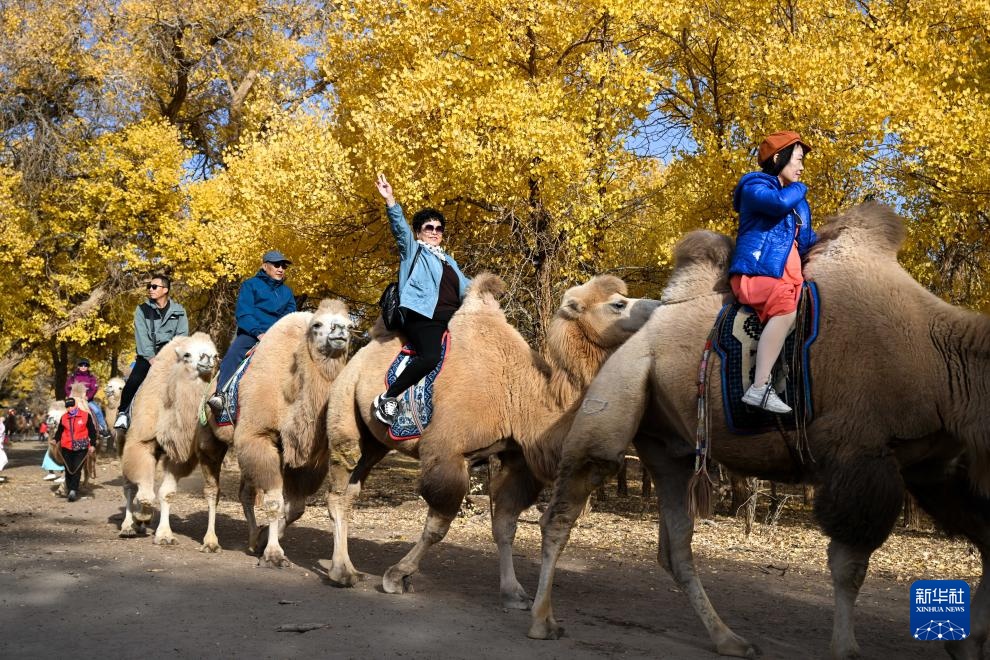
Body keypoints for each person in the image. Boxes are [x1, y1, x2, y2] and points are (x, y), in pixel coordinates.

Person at [728, 130, 818, 414]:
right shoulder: (754, 185)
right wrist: (800, 189)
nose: (801, 168)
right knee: (785, 305)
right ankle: (759, 388)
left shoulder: (796, 201)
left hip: (790, 276)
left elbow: (807, 240)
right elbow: (775, 204)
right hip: (756, 274)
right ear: (779, 157)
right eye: (798, 160)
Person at [372, 173, 471, 425]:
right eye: (429, 227)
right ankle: (388, 397)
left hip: (453, 318)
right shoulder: (412, 250)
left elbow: (467, 287)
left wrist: (488, 290)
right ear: (418, 232)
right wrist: (390, 200)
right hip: (423, 316)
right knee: (430, 356)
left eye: (439, 228)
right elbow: (399, 228)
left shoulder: (449, 261)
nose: (435, 232)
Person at [207, 250, 297, 411]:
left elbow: (289, 317)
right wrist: (258, 333)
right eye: (277, 265)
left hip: (278, 336)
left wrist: (279, 335)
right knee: (233, 354)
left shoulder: (287, 292)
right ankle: (220, 394)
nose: (281, 269)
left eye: (284, 266)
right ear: (265, 266)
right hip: (252, 334)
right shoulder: (250, 285)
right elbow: (244, 313)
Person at [113, 274, 189, 429]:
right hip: (148, 356)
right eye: (149, 286)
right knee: (133, 381)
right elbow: (141, 336)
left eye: (154, 286)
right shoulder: (142, 310)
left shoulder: (179, 311)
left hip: (171, 355)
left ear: (165, 290)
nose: (150, 289)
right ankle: (123, 414)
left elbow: (182, 337)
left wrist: (170, 357)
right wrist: (151, 358)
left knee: (190, 380)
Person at [51, 397, 97, 502]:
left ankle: (73, 490)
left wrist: (93, 445)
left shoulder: (86, 416)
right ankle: (69, 488)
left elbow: (92, 431)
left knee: (77, 469)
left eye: (71, 406)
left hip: (81, 447)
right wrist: (55, 439)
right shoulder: (64, 417)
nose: (70, 408)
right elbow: (60, 431)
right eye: (67, 407)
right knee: (68, 469)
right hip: (66, 447)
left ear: (75, 405)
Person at [65, 358, 110, 440]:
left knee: (97, 410)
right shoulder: (73, 377)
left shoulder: (91, 377)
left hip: (87, 400)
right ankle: (59, 430)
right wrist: (70, 396)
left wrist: (88, 396)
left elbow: (94, 389)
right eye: (81, 365)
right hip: (73, 399)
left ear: (88, 367)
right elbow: (67, 387)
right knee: (62, 410)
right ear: (78, 366)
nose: (83, 367)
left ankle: (102, 428)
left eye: (85, 365)